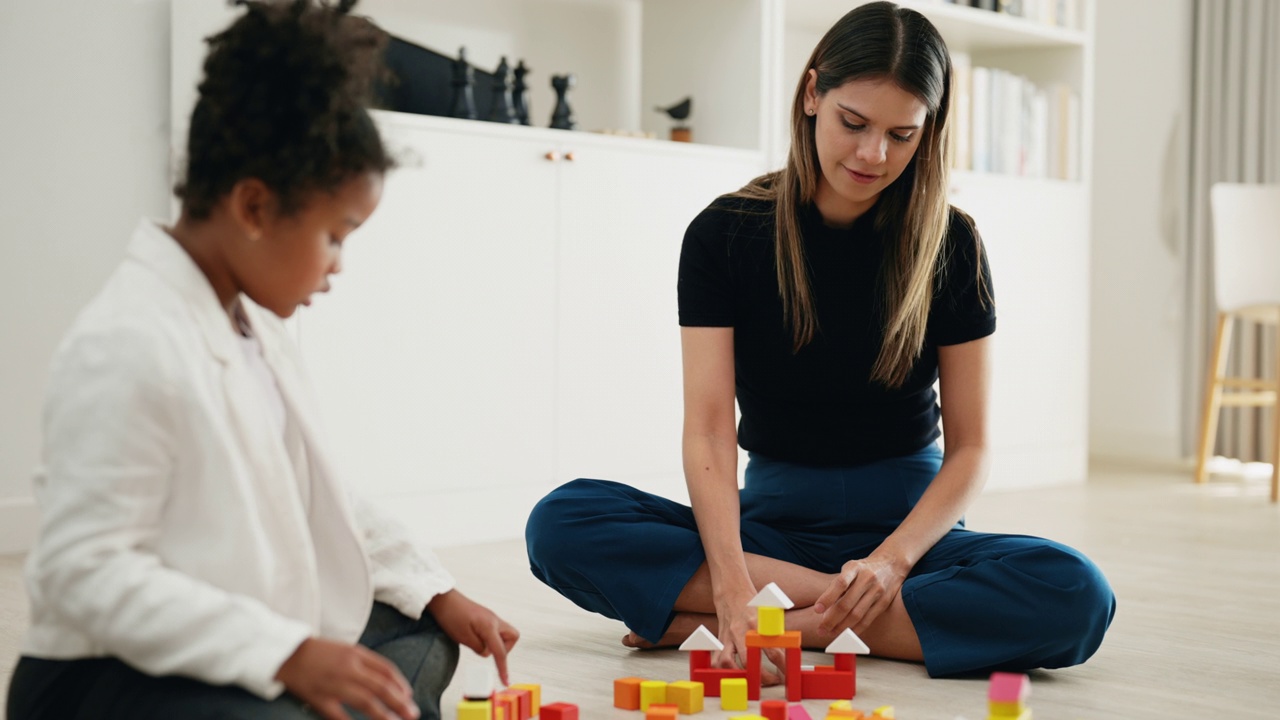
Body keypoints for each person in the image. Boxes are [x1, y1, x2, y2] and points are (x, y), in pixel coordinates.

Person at [525, 0, 1113, 680]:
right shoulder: (724, 235)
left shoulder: (952, 244)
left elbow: (972, 448)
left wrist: (890, 562)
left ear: (929, 131)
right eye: (853, 123)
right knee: (563, 521)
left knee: (1076, 593)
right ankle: (795, 615)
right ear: (812, 94)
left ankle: (768, 628)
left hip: (907, 539)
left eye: (902, 134)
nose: (873, 154)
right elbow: (711, 429)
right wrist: (730, 582)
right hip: (769, 531)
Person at [5, 2, 517, 719]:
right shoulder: (127, 342)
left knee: (419, 637)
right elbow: (83, 572)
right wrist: (283, 652)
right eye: (335, 235)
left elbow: (325, 494)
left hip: (239, 628)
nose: (338, 268)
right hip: (103, 679)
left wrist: (436, 590)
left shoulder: (254, 328)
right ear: (253, 207)